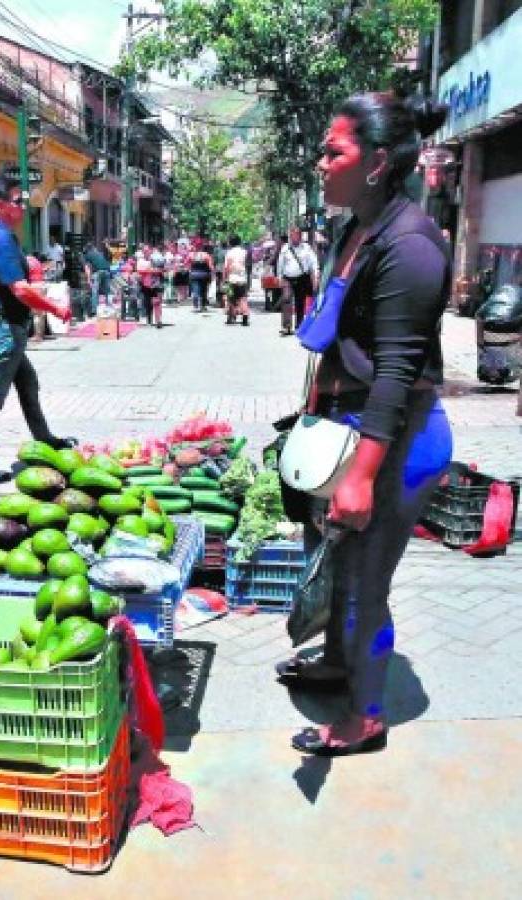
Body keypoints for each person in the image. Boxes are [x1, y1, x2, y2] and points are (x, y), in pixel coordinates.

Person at [278, 92, 451, 757]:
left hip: (394, 437)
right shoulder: (356, 229)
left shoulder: (411, 246)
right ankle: (337, 665)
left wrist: (363, 477)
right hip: (348, 432)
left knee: (365, 585)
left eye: (334, 151)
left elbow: (397, 375)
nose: (321, 163)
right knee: (337, 569)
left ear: (377, 162)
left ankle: (364, 717)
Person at [0, 180, 74, 487]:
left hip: (3, 328)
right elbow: (20, 288)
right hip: (3, 330)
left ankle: (45, 440)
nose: (22, 207)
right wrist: (56, 309)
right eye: (16, 201)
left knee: (27, 383)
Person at [277, 226, 319, 335]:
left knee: (300, 301)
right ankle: (286, 326)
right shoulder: (285, 248)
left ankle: (299, 325)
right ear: (290, 236)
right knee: (286, 299)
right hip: (287, 278)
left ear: (300, 236)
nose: (294, 237)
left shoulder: (306, 248)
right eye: (292, 235)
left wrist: (315, 276)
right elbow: (280, 263)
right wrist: (279, 277)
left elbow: (313, 262)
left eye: (296, 234)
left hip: (301, 278)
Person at [223, 235, 250, 326]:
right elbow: (248, 265)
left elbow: (226, 267)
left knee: (231, 298)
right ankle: (245, 316)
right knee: (243, 298)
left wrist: (225, 278)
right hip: (242, 278)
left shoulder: (229, 253)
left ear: (230, 243)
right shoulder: (244, 252)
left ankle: (231, 317)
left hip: (232, 278)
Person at [137, 246, 164, 328]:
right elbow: (139, 272)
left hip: (156, 283)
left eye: (148, 251)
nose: (147, 252)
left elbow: (162, 268)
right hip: (146, 284)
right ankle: (149, 320)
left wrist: (156, 270)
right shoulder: (140, 261)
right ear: (143, 252)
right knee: (147, 303)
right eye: (145, 251)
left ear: (150, 251)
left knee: (157, 302)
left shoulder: (156, 259)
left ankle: (158, 320)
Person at [82, 242, 111, 316]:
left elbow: (87, 268)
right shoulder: (99, 253)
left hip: (98, 272)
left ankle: (94, 311)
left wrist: (88, 279)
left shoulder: (87, 255)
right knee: (107, 292)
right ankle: (108, 309)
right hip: (107, 271)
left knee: (95, 291)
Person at [189, 243, 214, 312]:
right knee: (204, 290)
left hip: (194, 274)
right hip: (204, 275)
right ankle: (203, 306)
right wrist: (212, 274)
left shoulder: (192, 255)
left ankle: (195, 305)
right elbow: (211, 266)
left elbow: (188, 264)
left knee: (195, 290)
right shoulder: (207, 255)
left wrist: (190, 271)